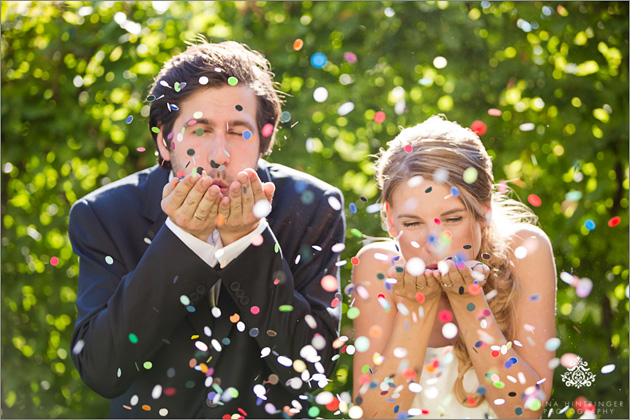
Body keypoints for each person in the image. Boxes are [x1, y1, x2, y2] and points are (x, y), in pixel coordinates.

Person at [69, 39, 345, 418]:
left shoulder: (312, 207)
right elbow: (103, 370)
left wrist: (247, 242)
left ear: (264, 140)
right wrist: (182, 240)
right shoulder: (105, 215)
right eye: (200, 129)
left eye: (238, 131)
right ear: (166, 142)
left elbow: (311, 372)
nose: (219, 155)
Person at [351, 115, 557, 419]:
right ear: (390, 219)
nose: (434, 243)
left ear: (484, 211)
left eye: (452, 219)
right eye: (412, 223)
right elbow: (374, 415)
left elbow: (525, 411)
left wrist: (468, 302)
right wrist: (417, 309)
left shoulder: (524, 251)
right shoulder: (376, 267)